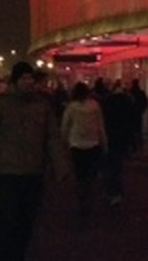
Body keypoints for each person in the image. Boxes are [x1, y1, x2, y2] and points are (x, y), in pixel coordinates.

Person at [0, 61, 69, 261]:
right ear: (15, 81)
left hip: (33, 172)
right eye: (23, 78)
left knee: (27, 220)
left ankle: (18, 254)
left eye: (30, 78)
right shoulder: (0, 106)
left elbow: (52, 137)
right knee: (9, 220)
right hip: (6, 172)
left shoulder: (42, 107)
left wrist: (60, 166)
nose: (28, 82)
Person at [61, 81, 106, 216]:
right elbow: (100, 126)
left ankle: (82, 198)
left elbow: (65, 126)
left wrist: (64, 143)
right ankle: (88, 195)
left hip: (76, 143)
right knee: (90, 173)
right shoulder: (95, 106)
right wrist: (104, 142)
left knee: (80, 173)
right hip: (93, 143)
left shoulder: (71, 107)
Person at [102, 79, 138, 206]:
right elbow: (132, 119)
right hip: (123, 136)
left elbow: (104, 119)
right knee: (117, 164)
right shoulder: (128, 101)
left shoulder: (108, 101)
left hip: (111, 135)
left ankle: (112, 190)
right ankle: (116, 191)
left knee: (111, 164)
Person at [129, 78, 148, 153]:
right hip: (138, 113)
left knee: (132, 128)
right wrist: (142, 110)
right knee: (138, 128)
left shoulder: (130, 92)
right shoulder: (141, 92)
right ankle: (139, 141)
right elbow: (145, 102)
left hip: (132, 113)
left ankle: (134, 144)